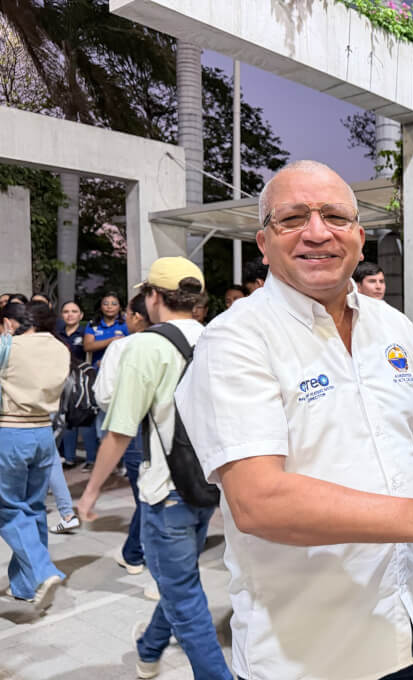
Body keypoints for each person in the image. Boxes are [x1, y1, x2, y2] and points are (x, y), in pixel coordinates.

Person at [174, 160, 413, 680]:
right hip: (308, 653)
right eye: (293, 218)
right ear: (264, 241)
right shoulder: (236, 339)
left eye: (335, 218)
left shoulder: (391, 325)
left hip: (407, 629)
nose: (317, 232)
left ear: (360, 237)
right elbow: (260, 500)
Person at [77, 258, 231, 680]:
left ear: (153, 297)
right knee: (178, 579)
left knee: (182, 594)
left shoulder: (144, 346)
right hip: (209, 486)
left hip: (166, 492)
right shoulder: (219, 337)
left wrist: (89, 493)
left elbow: (120, 430)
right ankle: (148, 650)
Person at [0, 301, 69, 612]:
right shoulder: (60, 348)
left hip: (11, 431)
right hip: (43, 433)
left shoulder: (9, 346)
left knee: (8, 509)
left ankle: (42, 572)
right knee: (34, 507)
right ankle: (25, 586)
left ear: (13, 324)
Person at [92, 293, 151, 579]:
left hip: (136, 427)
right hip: (179, 432)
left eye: (127, 311)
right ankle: (137, 551)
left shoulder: (123, 347)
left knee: (146, 497)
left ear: (137, 316)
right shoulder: (188, 341)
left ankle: (136, 554)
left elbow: (104, 395)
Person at [82, 292, 128, 472]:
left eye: (114, 303)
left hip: (119, 377)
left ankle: (121, 460)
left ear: (120, 307)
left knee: (118, 417)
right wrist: (112, 341)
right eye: (106, 303)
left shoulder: (125, 325)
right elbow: (88, 346)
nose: (109, 306)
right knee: (100, 419)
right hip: (98, 376)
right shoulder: (93, 325)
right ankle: (103, 460)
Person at [57, 300, 99, 470]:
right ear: (61, 315)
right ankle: (69, 457)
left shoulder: (86, 333)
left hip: (85, 379)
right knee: (67, 416)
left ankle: (91, 458)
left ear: (81, 315)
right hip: (64, 378)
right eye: (66, 311)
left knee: (86, 416)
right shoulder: (57, 334)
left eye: (74, 311)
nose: (70, 314)